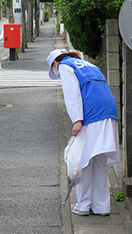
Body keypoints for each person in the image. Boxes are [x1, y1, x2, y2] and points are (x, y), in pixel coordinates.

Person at [47, 49, 119, 216]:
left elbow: (72, 94)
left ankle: (83, 206)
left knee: (84, 162)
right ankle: (102, 207)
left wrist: (77, 119)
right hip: (109, 111)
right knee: (99, 162)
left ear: (55, 64)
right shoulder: (89, 65)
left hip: (92, 114)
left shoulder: (65, 66)